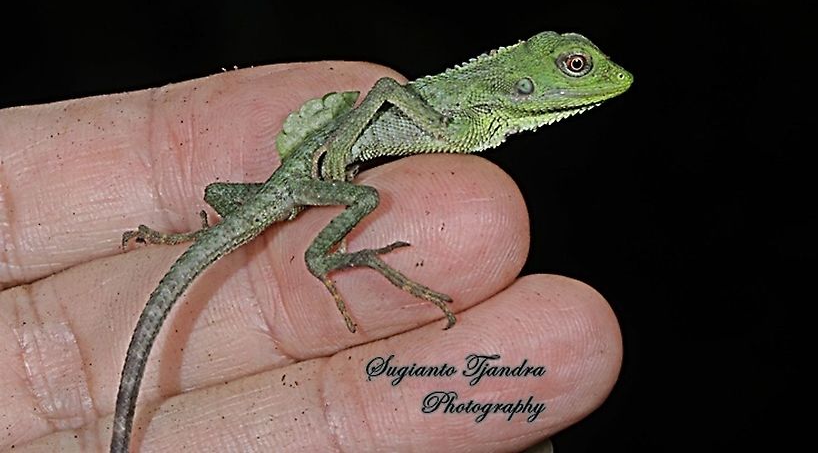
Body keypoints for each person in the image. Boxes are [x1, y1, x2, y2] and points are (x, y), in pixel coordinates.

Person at [0, 61, 621, 450]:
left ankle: (209, 238)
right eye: (573, 66)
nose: (590, 73)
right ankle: (323, 260)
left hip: (277, 189)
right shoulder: (447, 116)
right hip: (297, 184)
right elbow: (382, 89)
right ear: (524, 84)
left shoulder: (472, 110)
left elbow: (229, 193)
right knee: (367, 194)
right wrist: (340, 150)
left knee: (225, 199)